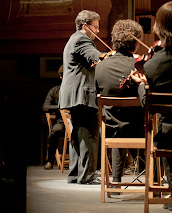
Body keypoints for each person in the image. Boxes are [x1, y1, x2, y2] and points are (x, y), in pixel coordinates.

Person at [130, 1, 172, 210]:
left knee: (166, 130)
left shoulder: (154, 64)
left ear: (159, 28)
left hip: (171, 134)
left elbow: (151, 106)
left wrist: (142, 85)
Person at [95, 19, 144, 184]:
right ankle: (154, 176)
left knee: (117, 123)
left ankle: (116, 178)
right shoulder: (139, 65)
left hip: (110, 130)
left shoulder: (100, 67)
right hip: (139, 130)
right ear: (135, 42)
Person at [58, 10, 102, 184]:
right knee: (89, 135)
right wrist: (113, 58)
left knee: (78, 135)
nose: (98, 31)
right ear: (85, 26)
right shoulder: (81, 39)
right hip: (81, 94)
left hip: (75, 93)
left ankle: (76, 174)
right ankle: (88, 176)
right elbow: (96, 58)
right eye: (96, 27)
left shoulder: (74, 39)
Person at [42, 65, 65, 170]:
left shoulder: (76, 90)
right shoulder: (55, 91)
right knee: (55, 131)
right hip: (61, 122)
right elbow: (45, 107)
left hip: (76, 121)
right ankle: (50, 160)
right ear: (61, 76)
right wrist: (60, 107)